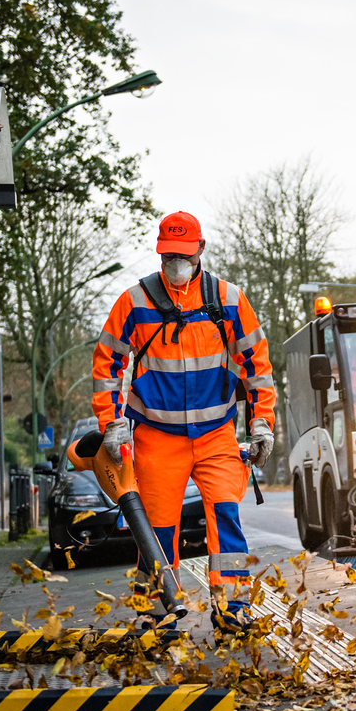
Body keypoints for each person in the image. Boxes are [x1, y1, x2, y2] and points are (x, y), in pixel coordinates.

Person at [92, 211, 275, 634]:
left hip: (216, 434)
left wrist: (262, 423)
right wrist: (111, 423)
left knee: (226, 516)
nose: (176, 262)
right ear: (160, 251)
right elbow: (107, 365)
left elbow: (257, 367)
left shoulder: (228, 300)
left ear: (200, 249)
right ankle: (156, 613)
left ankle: (232, 609)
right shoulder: (134, 302)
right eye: (169, 254)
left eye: (183, 254)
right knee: (156, 528)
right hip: (157, 436)